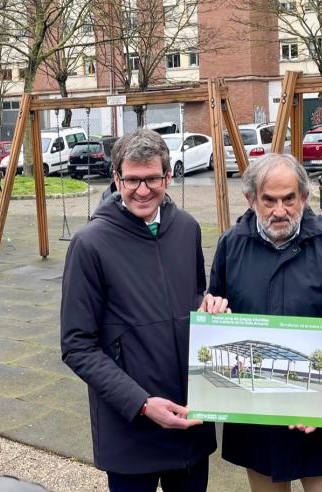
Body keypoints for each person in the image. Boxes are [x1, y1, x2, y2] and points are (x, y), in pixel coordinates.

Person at [60, 128, 228, 492]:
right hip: (131, 426)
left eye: (152, 178)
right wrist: (141, 403)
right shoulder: (90, 245)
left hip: (190, 423)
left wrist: (210, 308)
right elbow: (77, 345)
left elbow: (192, 298)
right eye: (132, 180)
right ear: (117, 178)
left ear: (168, 176)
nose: (142, 190)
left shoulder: (187, 229)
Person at [208, 153, 322, 491]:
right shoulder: (230, 246)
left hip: (315, 417)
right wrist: (214, 314)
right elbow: (215, 314)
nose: (280, 211)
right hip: (255, 416)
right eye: (269, 200)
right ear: (251, 200)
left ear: (304, 197)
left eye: (289, 199)